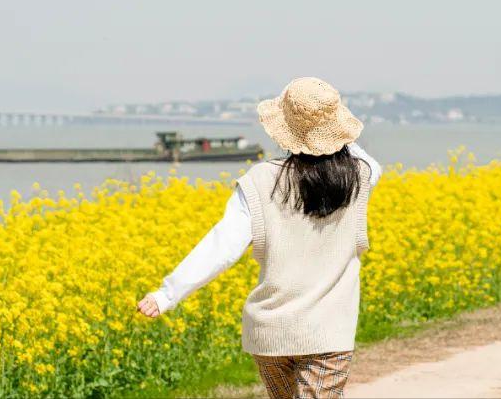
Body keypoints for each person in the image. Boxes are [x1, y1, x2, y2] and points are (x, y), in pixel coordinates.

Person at [137, 77, 381, 399]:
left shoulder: (259, 181)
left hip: (270, 333)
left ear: (284, 129)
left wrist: (167, 294)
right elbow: (359, 152)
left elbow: (221, 246)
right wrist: (333, 125)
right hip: (328, 332)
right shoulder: (361, 176)